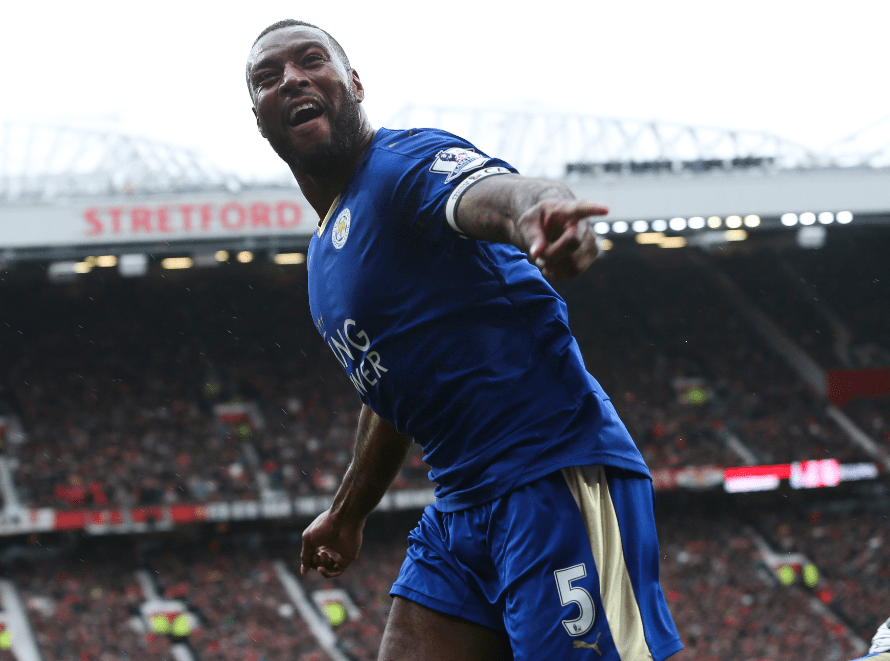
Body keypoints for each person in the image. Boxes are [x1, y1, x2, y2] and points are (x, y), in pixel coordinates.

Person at [246, 19, 682, 661]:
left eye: (312, 60)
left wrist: (540, 211)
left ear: (354, 83)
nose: (292, 79)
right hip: (459, 512)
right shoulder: (323, 257)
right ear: (257, 117)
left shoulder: (402, 166)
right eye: (267, 77)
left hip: (550, 478)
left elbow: (498, 196)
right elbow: (392, 395)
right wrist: (348, 512)